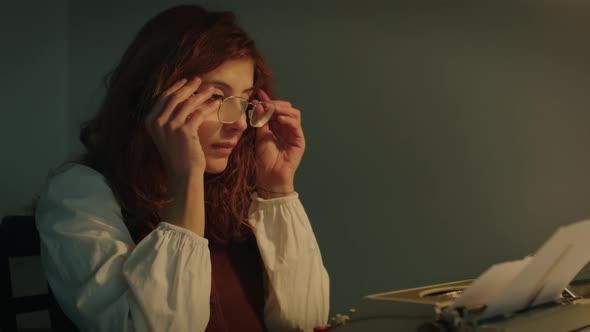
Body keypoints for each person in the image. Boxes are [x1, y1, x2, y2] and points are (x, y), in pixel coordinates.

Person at [35, 5, 330, 332]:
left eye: (246, 101)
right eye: (217, 97)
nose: (239, 125)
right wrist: (185, 176)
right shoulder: (78, 193)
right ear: (156, 95)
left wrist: (278, 188)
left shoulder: (232, 194)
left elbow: (307, 322)